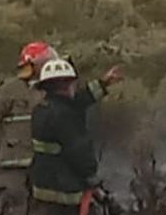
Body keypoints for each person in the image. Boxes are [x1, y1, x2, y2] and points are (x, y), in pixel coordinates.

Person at [29, 59, 123, 215]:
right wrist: (91, 176)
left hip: (42, 190)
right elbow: (78, 149)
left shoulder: (41, 109)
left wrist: (103, 84)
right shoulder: (65, 115)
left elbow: (79, 100)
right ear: (68, 85)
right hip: (66, 193)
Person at [0, 42, 59, 215]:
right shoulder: (10, 88)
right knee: (13, 205)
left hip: (45, 163)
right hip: (14, 162)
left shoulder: (55, 89)